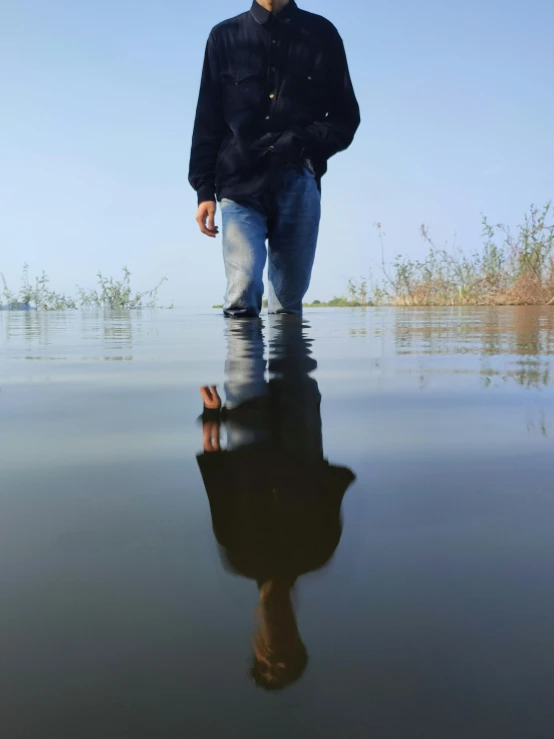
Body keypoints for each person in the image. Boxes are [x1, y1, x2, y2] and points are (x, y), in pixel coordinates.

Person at [197, 317, 355, 689]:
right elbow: (333, 480)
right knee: (288, 318)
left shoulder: (240, 557)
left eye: (266, 659)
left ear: (255, 644)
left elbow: (218, 482)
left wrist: (211, 416)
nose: (274, 652)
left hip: (244, 419)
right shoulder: (317, 552)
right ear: (299, 641)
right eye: (285, 656)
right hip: (298, 420)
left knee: (243, 320)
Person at [189, 0, 360, 317]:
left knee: (287, 306)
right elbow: (207, 120)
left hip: (298, 180)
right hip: (238, 183)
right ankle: (243, 364)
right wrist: (203, 190)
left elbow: (345, 118)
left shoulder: (321, 34)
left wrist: (301, 142)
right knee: (241, 295)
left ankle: (290, 366)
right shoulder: (223, 36)